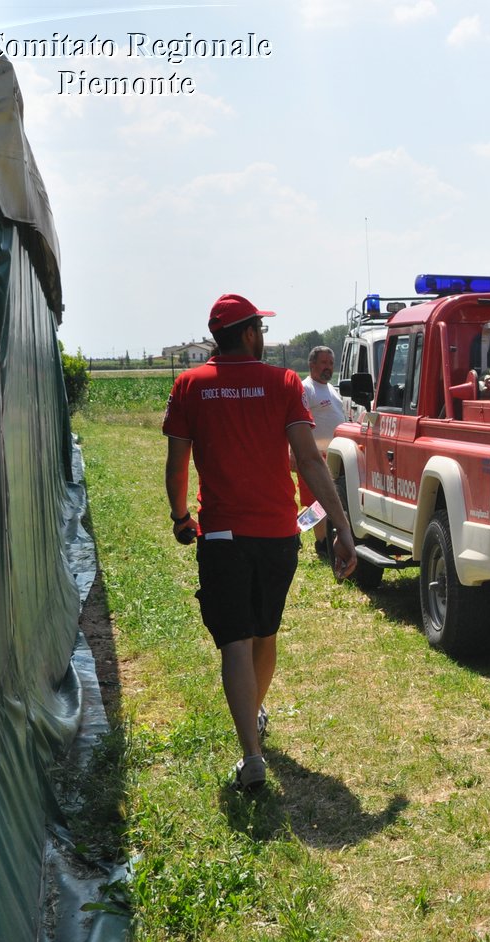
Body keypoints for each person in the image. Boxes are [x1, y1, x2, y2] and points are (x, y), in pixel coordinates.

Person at [164, 293, 357, 791]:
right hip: (276, 534)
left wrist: (182, 516)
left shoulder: (189, 385)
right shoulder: (283, 383)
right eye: (261, 330)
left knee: (235, 641)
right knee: (265, 633)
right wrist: (340, 528)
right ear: (248, 334)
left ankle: (251, 753)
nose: (264, 338)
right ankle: (257, 718)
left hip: (223, 535)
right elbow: (311, 462)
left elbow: (177, 463)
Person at [297, 345, 345, 555]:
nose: (328, 367)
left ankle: (298, 531)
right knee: (316, 503)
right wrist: (294, 451)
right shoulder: (306, 388)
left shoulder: (331, 389)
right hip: (313, 456)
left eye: (331, 363)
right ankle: (317, 542)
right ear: (312, 364)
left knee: (324, 500)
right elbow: (298, 423)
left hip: (333, 456)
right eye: (324, 363)